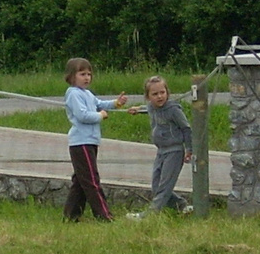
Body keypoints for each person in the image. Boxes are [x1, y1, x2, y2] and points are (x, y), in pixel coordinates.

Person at [63, 57, 125, 222]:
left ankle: (71, 216)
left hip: (90, 141)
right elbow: (82, 115)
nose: (87, 77)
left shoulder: (87, 93)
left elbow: (99, 103)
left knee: (80, 181)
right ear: (71, 76)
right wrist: (100, 116)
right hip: (80, 143)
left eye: (89, 74)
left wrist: (115, 104)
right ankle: (104, 215)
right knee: (91, 181)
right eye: (82, 74)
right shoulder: (73, 94)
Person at [127, 75, 193, 220]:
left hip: (174, 151)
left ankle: (149, 215)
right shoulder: (151, 107)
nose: (159, 96)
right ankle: (182, 205)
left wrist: (189, 149)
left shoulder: (173, 110)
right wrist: (138, 109)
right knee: (156, 186)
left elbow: (186, 128)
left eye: (162, 92)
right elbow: (149, 109)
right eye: (155, 94)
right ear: (148, 97)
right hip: (161, 151)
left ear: (167, 93)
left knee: (165, 186)